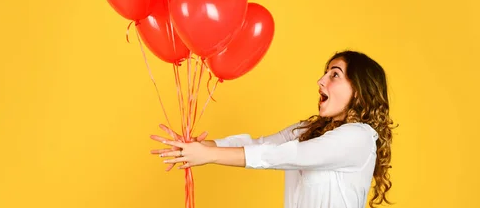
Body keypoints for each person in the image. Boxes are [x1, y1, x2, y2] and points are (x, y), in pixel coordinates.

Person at [150, 50, 396, 208]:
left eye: (335, 75)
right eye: (324, 73)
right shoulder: (309, 130)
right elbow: (262, 145)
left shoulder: (360, 137)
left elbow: (290, 155)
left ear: (360, 90)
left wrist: (210, 155)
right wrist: (203, 146)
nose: (321, 81)